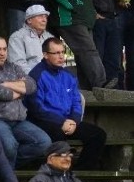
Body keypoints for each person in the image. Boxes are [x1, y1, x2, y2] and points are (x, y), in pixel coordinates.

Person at [0, 36, 51, 168]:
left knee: (43, 142)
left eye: (5, 49)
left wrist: (5, 84)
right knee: (9, 146)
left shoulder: (12, 67)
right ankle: (6, 175)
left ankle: (3, 168)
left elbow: (31, 86)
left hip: (18, 120)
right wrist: (19, 89)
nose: (2, 53)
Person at [26, 37, 107, 170]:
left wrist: (74, 120)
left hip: (68, 121)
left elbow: (76, 101)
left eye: (62, 52)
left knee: (98, 135)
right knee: (58, 136)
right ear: (45, 55)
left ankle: (81, 176)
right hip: (44, 121)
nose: (61, 56)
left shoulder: (68, 75)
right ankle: (58, 176)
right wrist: (61, 122)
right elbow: (37, 108)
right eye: (56, 53)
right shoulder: (36, 75)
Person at [8, 4, 53, 71]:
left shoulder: (50, 37)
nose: (44, 20)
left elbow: (58, 59)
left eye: (45, 17)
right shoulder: (17, 37)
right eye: (40, 16)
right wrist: (39, 77)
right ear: (29, 20)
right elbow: (18, 64)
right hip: (31, 78)